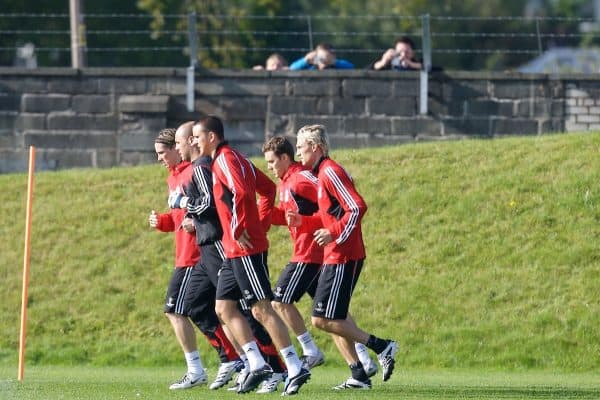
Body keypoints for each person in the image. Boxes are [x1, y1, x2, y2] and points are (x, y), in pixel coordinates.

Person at [192, 115, 311, 395]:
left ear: (211, 137)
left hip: (246, 248)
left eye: (197, 137)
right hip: (234, 251)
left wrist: (240, 227)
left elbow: (242, 191)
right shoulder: (233, 158)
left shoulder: (225, 159)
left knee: (261, 309)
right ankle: (256, 363)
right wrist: (258, 220)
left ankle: (295, 367)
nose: (195, 143)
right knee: (223, 307)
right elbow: (267, 189)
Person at [171, 121, 288, 394]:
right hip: (207, 246)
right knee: (196, 305)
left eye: (181, 142)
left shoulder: (204, 165)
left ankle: (275, 366)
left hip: (219, 244)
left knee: (249, 309)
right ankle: (237, 360)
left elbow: (216, 202)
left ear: (195, 140)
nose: (178, 148)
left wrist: (186, 205)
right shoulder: (207, 163)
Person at [287, 124, 398, 390]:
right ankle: (358, 374)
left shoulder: (330, 171)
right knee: (333, 318)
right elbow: (331, 214)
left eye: (301, 147)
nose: (298, 153)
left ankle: (382, 346)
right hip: (334, 254)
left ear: (316, 147)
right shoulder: (322, 173)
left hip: (344, 256)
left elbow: (357, 206)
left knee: (323, 319)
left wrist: (334, 233)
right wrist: (306, 222)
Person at [263, 136, 379, 378]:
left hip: (311, 253)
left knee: (280, 301)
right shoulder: (286, 182)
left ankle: (309, 349)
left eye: (272, 162)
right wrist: (258, 212)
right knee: (334, 315)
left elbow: (329, 201)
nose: (269, 168)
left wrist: (331, 230)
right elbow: (287, 217)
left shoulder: (301, 177)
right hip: (310, 251)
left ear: (285, 158)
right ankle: (364, 360)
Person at [148, 128, 209, 390]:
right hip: (183, 253)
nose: (160, 158)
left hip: (195, 255)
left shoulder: (192, 172)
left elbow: (207, 207)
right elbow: (178, 218)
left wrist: (194, 223)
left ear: (176, 147)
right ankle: (238, 361)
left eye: (162, 153)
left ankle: (197, 370)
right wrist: (161, 221)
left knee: (175, 310)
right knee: (215, 312)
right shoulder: (173, 178)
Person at [289, 43, 354, 70]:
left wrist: (334, 62)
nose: (323, 60)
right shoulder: (311, 66)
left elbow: (351, 67)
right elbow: (292, 68)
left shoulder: (336, 65)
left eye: (327, 57)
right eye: (320, 57)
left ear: (333, 56)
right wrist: (305, 60)